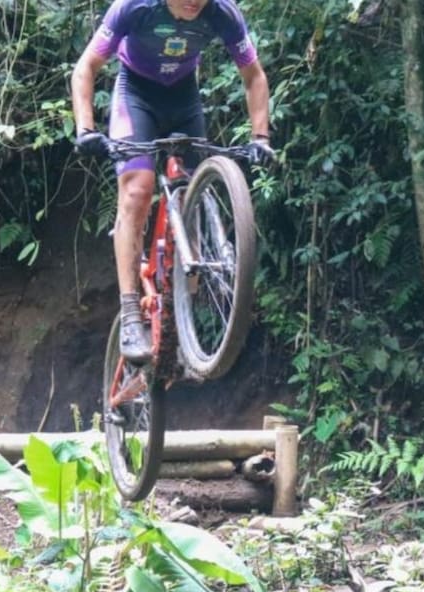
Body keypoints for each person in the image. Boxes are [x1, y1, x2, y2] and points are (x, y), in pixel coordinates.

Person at [70, 0, 273, 363]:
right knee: (138, 189)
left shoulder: (221, 13)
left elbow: (254, 76)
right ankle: (131, 312)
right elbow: (86, 67)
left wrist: (261, 138)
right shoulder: (135, 7)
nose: (195, 2)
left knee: (194, 194)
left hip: (184, 98)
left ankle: (182, 316)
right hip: (136, 95)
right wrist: (85, 128)